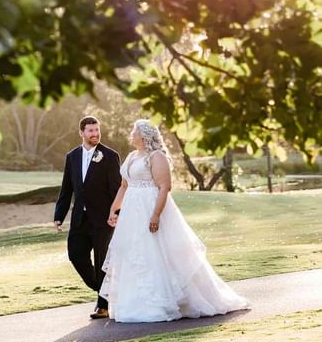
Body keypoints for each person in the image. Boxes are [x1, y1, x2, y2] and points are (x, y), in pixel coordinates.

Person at [100, 119, 249, 322]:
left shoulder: (156, 157)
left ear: (143, 135)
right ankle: (135, 303)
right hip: (131, 214)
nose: (131, 134)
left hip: (150, 207)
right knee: (134, 254)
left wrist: (155, 215)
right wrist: (114, 208)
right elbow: (124, 186)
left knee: (156, 252)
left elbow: (164, 187)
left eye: (133, 131)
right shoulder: (132, 156)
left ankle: (165, 302)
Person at [54, 115, 122, 319]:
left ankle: (103, 306)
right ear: (81, 133)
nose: (95, 134)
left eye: (97, 130)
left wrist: (116, 213)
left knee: (102, 260)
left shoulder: (110, 156)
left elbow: (117, 188)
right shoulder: (72, 156)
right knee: (75, 255)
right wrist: (59, 215)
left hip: (103, 219)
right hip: (79, 219)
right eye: (91, 130)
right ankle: (102, 289)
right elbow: (67, 189)